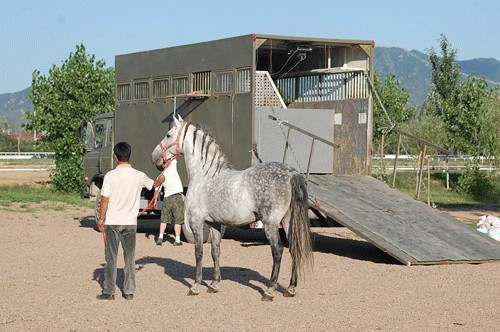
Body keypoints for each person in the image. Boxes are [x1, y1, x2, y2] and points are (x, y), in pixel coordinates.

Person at [96, 142, 163, 300]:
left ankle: (109, 291)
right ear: (130, 156)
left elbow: (104, 199)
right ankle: (129, 291)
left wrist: (100, 218)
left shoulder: (110, 176)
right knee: (129, 257)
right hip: (130, 223)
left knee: (111, 257)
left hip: (112, 222)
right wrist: (161, 179)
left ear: (115, 157)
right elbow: (153, 184)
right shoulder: (139, 175)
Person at [156, 158, 185, 246]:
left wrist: (155, 201)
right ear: (165, 164)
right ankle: (177, 240)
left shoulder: (160, 176)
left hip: (167, 199)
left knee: (164, 219)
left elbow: (157, 190)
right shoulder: (172, 168)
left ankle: (160, 237)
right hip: (177, 197)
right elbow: (174, 158)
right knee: (178, 220)